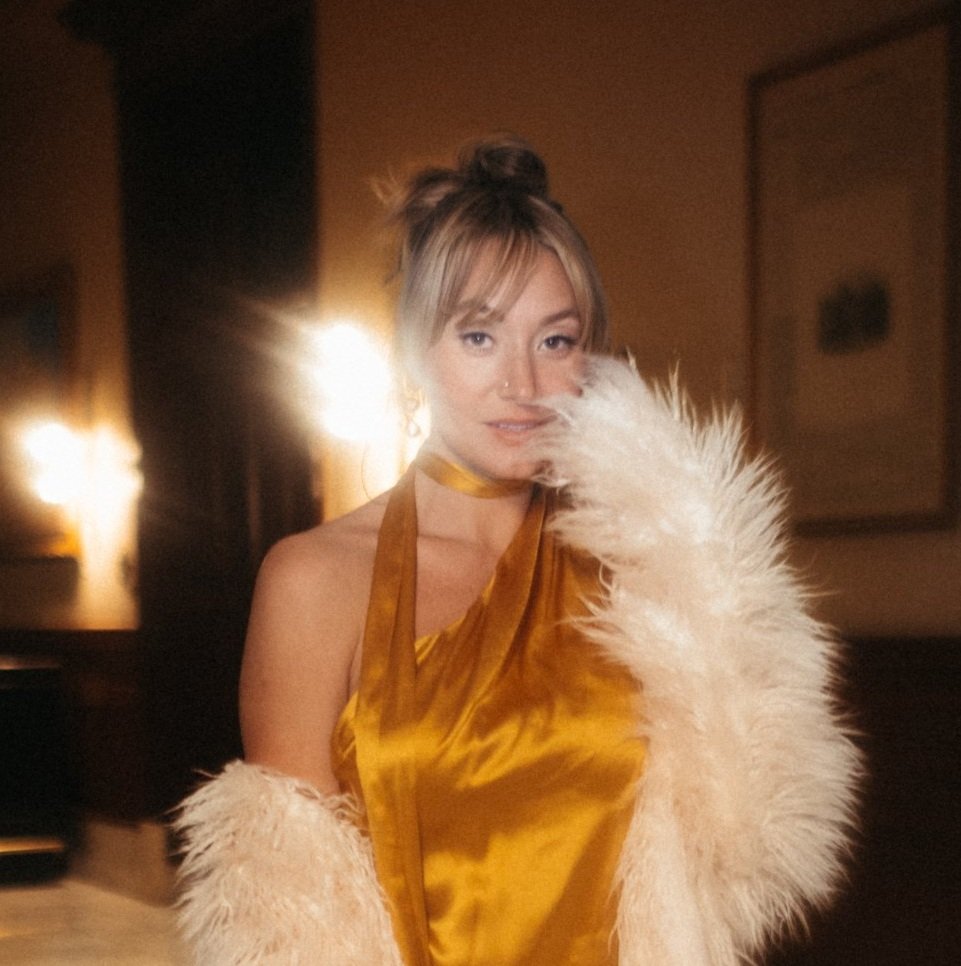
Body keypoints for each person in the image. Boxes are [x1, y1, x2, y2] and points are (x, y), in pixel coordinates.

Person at [174, 136, 861, 966]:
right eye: (477, 337)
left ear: (592, 356)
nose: (522, 386)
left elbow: (739, 840)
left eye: (555, 341)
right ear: (412, 352)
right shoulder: (313, 579)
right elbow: (287, 921)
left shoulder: (650, 567)